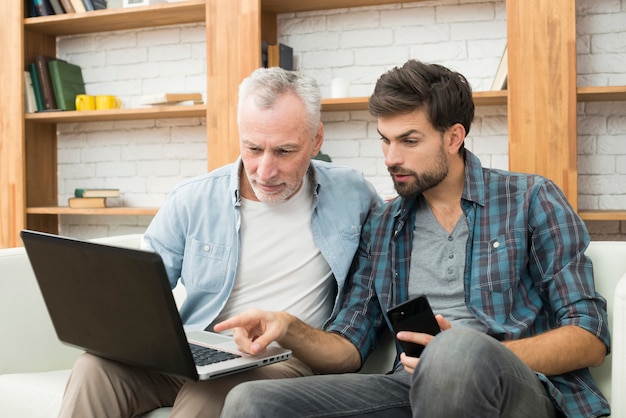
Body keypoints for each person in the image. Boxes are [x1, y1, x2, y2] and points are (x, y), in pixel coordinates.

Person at [216, 60, 611, 417]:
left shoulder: (530, 199)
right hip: (409, 389)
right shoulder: (383, 224)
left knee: (453, 352)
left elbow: (589, 336)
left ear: (454, 137)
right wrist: (288, 327)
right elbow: (348, 347)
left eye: (409, 141)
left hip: (519, 389)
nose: (390, 158)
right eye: (385, 140)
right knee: (250, 401)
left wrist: (466, 357)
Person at [57, 67, 381, 418]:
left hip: (282, 361)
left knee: (213, 393)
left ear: (317, 140)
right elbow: (142, 296)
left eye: (285, 151)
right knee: (94, 369)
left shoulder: (353, 194)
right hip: (198, 352)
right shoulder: (192, 199)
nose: (265, 170)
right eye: (253, 148)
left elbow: (389, 258)